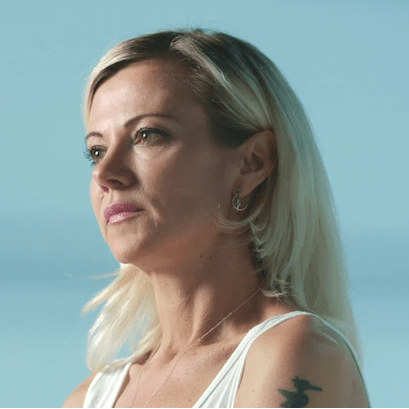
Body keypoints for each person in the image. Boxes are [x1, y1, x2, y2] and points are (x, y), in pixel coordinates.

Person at [62, 28, 370, 408]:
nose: (105, 173)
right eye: (96, 150)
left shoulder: (296, 353)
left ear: (252, 162)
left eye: (148, 135)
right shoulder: (88, 398)